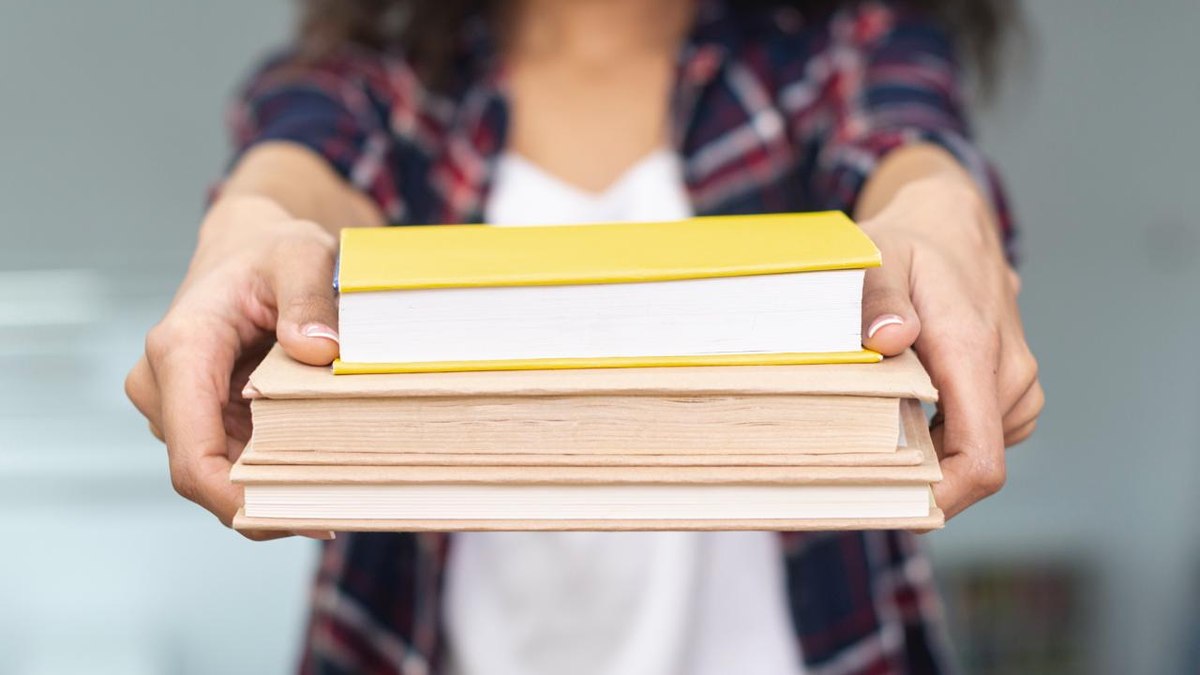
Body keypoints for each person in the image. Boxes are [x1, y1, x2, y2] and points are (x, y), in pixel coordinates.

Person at [125, 0, 1043, 673]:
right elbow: (303, 156)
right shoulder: (381, 83)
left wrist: (938, 206)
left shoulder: (840, 49)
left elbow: (906, 136)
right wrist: (250, 217)